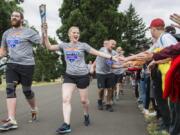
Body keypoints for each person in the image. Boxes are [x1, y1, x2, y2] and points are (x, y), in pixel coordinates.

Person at [42, 24, 118, 134]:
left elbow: (97, 52)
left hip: (82, 76)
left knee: (84, 101)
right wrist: (45, 33)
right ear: (69, 34)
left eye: (78, 32)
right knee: (66, 99)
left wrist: (110, 57)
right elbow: (49, 47)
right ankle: (66, 124)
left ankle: (86, 114)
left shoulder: (83, 45)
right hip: (69, 76)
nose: (76, 34)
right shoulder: (64, 45)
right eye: (74, 32)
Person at [0, 11, 41, 131]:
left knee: (27, 91)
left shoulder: (29, 32)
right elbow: (3, 51)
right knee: (9, 88)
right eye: (12, 16)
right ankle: (12, 119)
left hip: (27, 65)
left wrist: (44, 32)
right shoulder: (6, 33)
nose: (14, 17)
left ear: (21, 19)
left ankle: (34, 108)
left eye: (16, 16)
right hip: (12, 64)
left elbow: (41, 42)